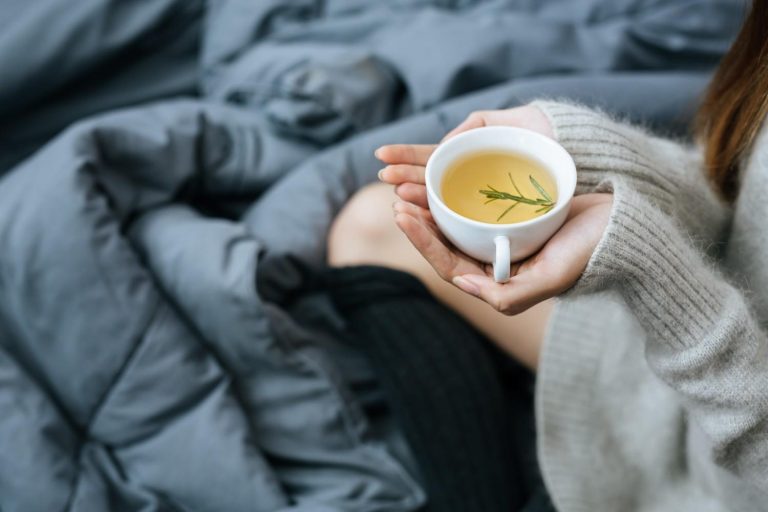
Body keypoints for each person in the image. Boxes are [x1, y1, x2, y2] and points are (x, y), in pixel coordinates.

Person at [327, 0, 768, 510]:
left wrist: (648, 265)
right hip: (675, 343)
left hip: (719, 450)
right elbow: (742, 207)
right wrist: (586, 151)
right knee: (372, 223)